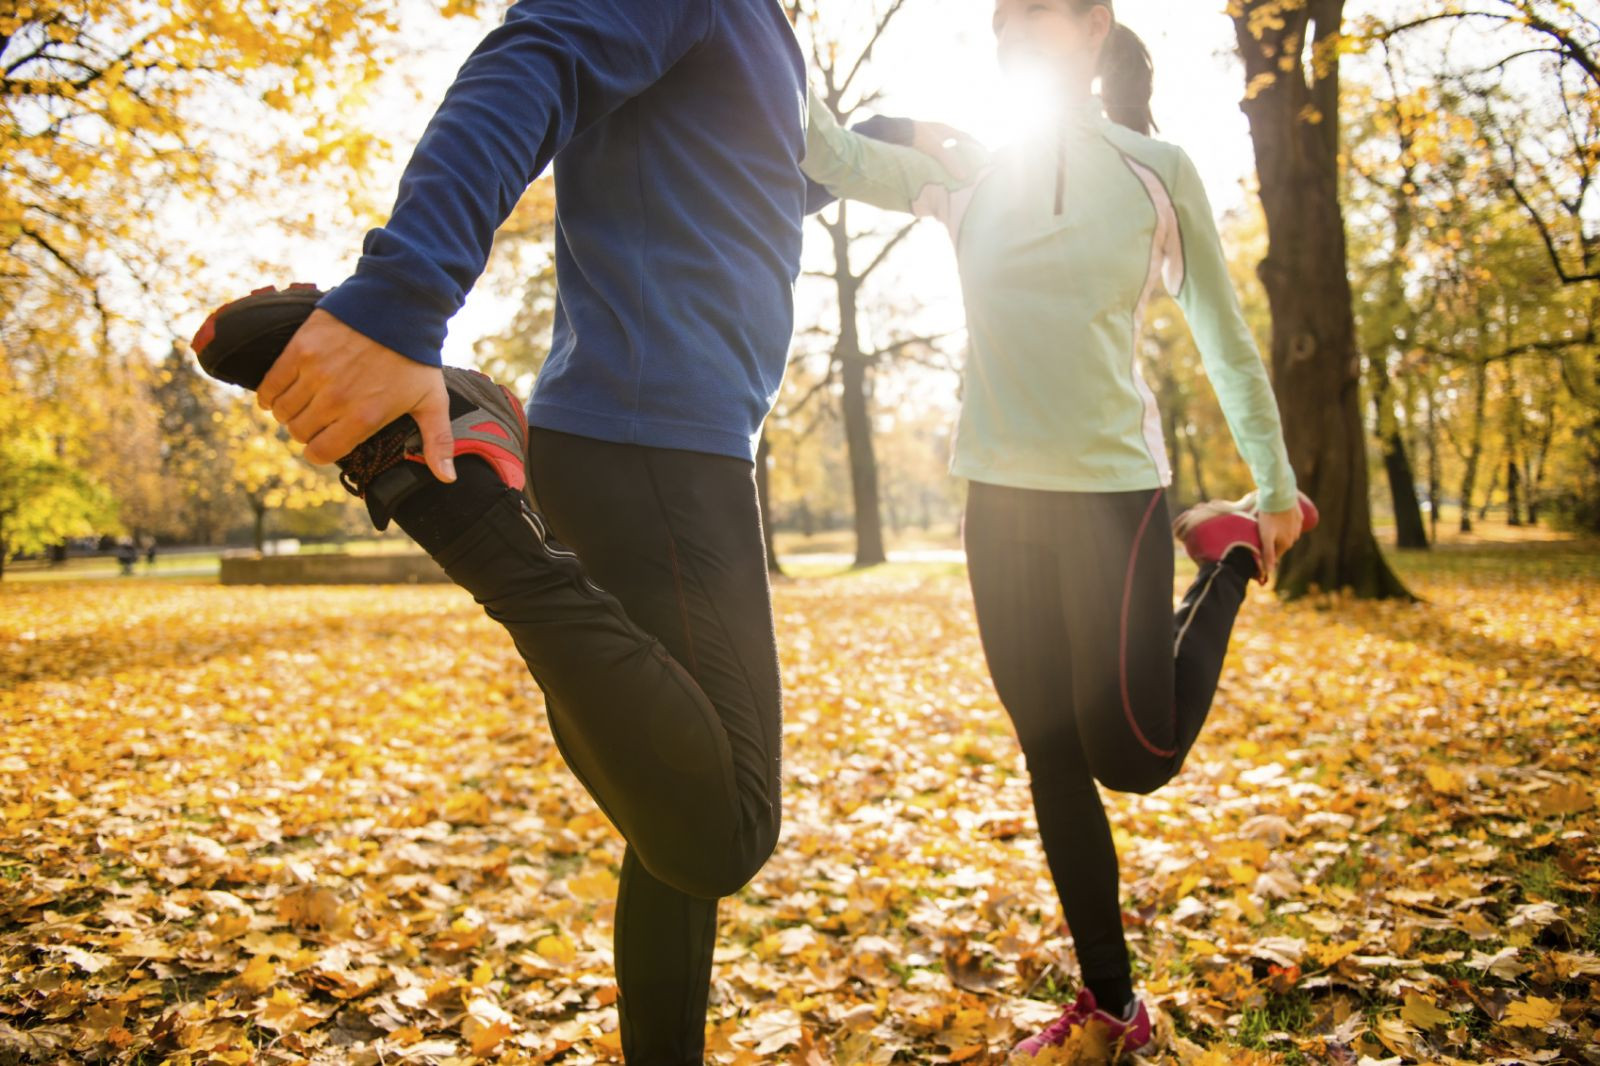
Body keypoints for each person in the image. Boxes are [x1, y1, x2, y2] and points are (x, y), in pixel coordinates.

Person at [191, 2, 808, 1062]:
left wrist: (914, 155)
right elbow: (541, 51)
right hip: (657, 439)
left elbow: (765, 172)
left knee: (666, 821)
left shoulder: (763, 33)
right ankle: (459, 494)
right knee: (721, 831)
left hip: (654, 438)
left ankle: (472, 463)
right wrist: (400, 297)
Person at [800, 1, 1318, 1058]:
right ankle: (1115, 1007)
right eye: (1009, 16)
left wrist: (1271, 481)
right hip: (994, 499)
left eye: (1047, 12)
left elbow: (1219, 330)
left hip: (1110, 496)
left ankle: (1221, 556)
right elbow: (818, 151)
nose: (1023, 28)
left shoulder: (1154, 168)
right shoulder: (968, 174)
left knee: (1135, 756)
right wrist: (859, 100)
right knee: (1047, 752)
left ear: (1093, 31)